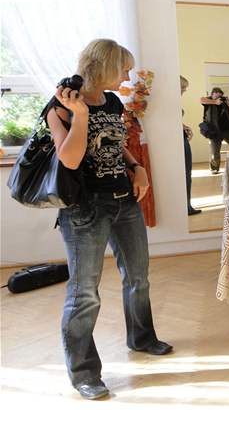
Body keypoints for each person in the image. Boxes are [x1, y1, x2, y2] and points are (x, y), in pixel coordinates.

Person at [47, 39, 173, 401]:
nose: (127, 76)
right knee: (84, 292)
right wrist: (81, 115)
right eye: (123, 69)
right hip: (85, 209)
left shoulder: (114, 101)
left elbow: (115, 143)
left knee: (138, 277)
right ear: (103, 66)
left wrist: (138, 168)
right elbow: (69, 159)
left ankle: (142, 337)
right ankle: (84, 373)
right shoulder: (62, 105)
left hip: (124, 201)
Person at [200, 87, 229, 174]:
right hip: (214, 131)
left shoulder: (224, 101)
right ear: (212, 94)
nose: (218, 98)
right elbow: (201, 100)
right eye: (216, 95)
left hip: (228, 130)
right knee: (215, 152)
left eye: (220, 96)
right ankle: (214, 169)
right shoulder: (208, 101)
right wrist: (215, 102)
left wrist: (228, 102)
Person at [180, 76, 201, 216]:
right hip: (180, 141)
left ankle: (186, 206)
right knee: (185, 175)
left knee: (187, 175)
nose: (185, 90)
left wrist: (184, 126)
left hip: (182, 137)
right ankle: (185, 207)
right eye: (183, 87)